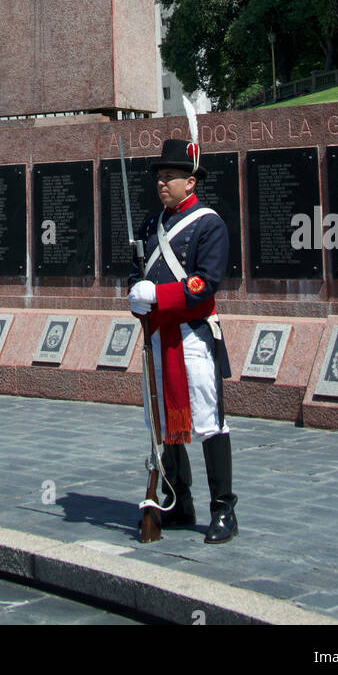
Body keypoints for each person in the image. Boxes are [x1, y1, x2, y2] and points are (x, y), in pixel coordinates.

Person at [127, 138, 237, 543]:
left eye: (170, 176)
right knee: (160, 422)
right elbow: (135, 274)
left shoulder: (209, 224)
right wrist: (136, 296)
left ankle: (223, 509)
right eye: (159, 176)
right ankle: (178, 500)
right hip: (158, 335)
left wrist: (157, 296)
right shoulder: (149, 225)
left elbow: (204, 283)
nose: (162, 183)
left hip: (191, 335)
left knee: (208, 422)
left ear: (190, 182)